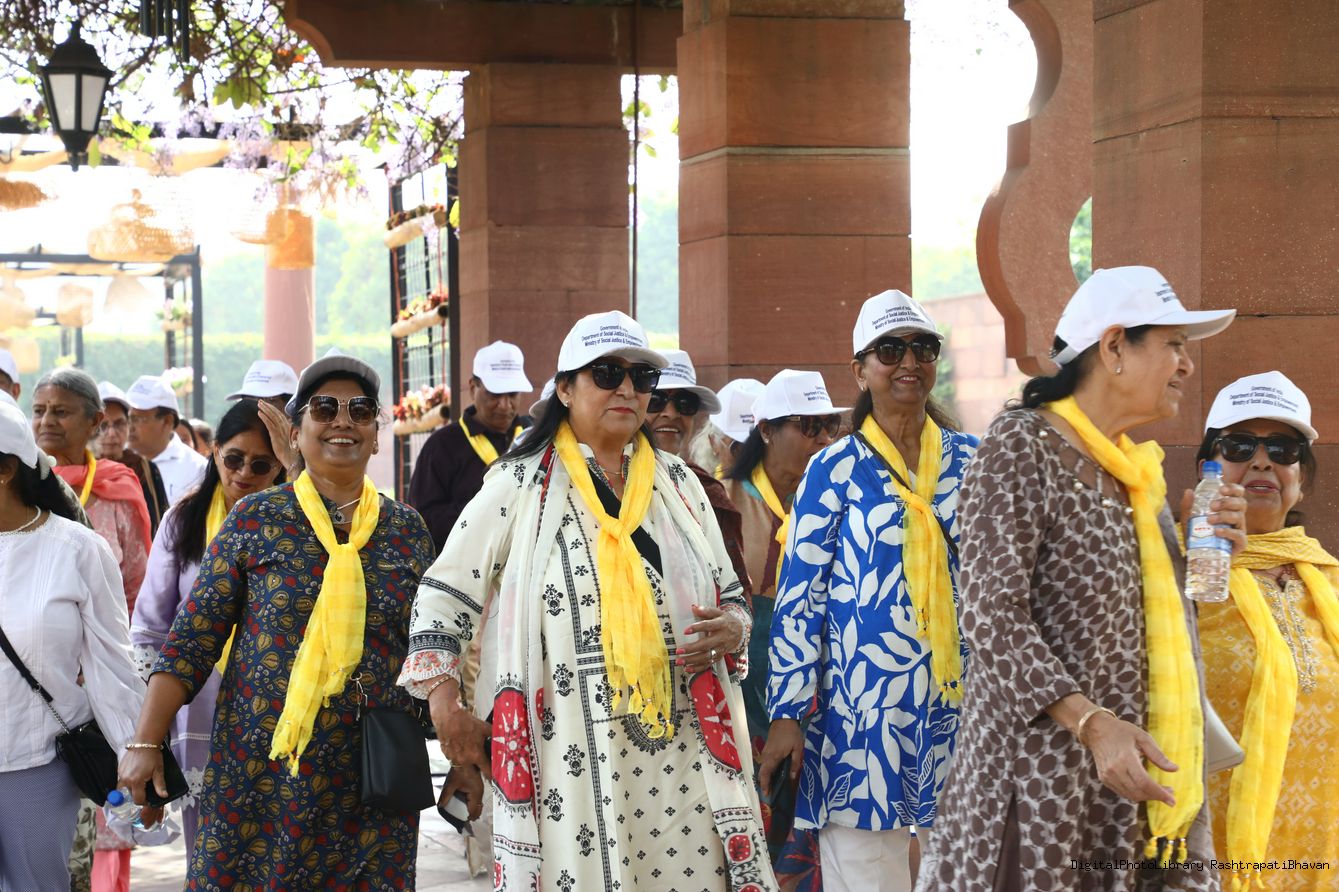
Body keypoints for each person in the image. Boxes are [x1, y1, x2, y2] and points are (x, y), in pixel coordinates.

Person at [400, 310, 778, 891]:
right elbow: (444, 596)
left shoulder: (680, 484)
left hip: (686, 743)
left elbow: (731, 592)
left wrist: (733, 625)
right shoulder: (519, 484)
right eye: (606, 373)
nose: (627, 389)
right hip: (571, 751)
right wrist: (446, 708)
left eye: (641, 378)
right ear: (564, 389)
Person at [918, 266, 1242, 891]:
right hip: (1036, 785)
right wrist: (1092, 723)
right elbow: (991, 616)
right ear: (1115, 346)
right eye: (1174, 345)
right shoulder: (1022, 446)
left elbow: (1150, 629)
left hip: (1124, 792)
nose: (1186, 365)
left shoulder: (1134, 474)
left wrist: (1209, 553)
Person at [117, 349, 436, 889]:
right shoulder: (257, 518)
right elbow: (191, 641)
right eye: (324, 408)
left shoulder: (406, 530)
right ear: (296, 431)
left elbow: (430, 648)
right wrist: (146, 742)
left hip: (371, 784)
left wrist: (460, 747)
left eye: (360, 410)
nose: (342, 421)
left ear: (377, 435)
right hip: (258, 776)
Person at [761, 290, 976, 892]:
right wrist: (787, 714)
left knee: (964, 869)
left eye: (922, 348)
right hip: (860, 713)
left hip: (960, 707)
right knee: (865, 876)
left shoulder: (973, 461)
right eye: (889, 350)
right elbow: (799, 599)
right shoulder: (833, 468)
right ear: (860, 370)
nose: (908, 361)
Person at [1193, 371, 1339, 891]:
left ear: (1304, 478)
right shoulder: (1180, 580)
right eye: (1239, 445)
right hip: (1213, 850)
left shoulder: (1330, 580)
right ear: (1208, 469)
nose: (1261, 461)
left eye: (1282, 448)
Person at [0, 396, 145, 892]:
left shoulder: (77, 550)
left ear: (5, 470)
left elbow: (113, 666)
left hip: (36, 766)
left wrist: (135, 757)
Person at [129, 399, 285, 855]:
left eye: (261, 464)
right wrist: (150, 736)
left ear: (281, 466)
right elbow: (152, 629)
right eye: (234, 459)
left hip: (279, 709)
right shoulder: (184, 520)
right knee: (208, 853)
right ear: (214, 452)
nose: (244, 473)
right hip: (199, 707)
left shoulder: (295, 524)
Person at [721, 369, 842, 877]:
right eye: (809, 426)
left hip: (825, 672)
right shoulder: (725, 499)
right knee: (755, 804)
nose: (823, 439)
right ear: (767, 431)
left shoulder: (839, 495)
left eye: (829, 426)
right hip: (745, 675)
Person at [33, 368, 153, 617]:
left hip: (105, 634)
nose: (46, 421)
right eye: (39, 411)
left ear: (95, 421)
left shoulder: (117, 487)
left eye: (61, 412)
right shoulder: (15, 483)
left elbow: (136, 586)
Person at [645, 349, 750, 605]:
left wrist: (732, 620)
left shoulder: (706, 490)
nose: (671, 413)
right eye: (655, 401)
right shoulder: (599, 481)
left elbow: (735, 593)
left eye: (685, 403)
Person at [409, 340, 533, 552]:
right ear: (473, 387)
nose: (505, 405)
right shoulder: (442, 446)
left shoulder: (532, 436)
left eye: (513, 394)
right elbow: (421, 519)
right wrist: (483, 513)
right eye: (495, 394)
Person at [96, 381, 169, 536]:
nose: (111, 434)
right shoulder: (83, 470)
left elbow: (161, 524)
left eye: (119, 424)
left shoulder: (144, 469)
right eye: (103, 426)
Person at [124, 375, 207, 506]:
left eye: (138, 419)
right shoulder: (118, 461)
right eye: (128, 418)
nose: (130, 426)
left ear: (167, 421)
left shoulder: (197, 469)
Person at [227, 358, 299, 474]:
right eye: (247, 401)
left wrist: (290, 460)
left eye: (268, 400)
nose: (255, 410)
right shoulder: (227, 451)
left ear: (292, 407)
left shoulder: (312, 453)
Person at [693, 378, 764, 478]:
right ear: (714, 443)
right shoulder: (697, 487)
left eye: (761, 446)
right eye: (739, 448)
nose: (751, 458)